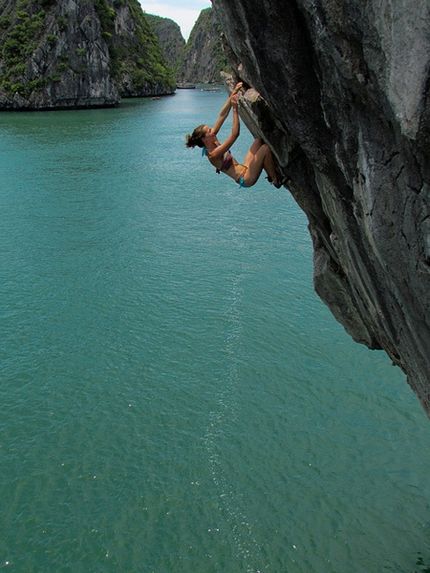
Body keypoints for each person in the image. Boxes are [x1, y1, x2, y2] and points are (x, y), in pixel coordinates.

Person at [185, 82, 283, 188]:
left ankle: (266, 166)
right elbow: (235, 135)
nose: (212, 130)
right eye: (209, 130)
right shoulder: (213, 155)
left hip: (245, 167)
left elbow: (222, 115)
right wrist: (235, 109)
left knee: (258, 141)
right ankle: (275, 180)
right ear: (204, 139)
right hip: (245, 178)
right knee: (265, 148)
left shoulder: (212, 138)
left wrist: (234, 92)